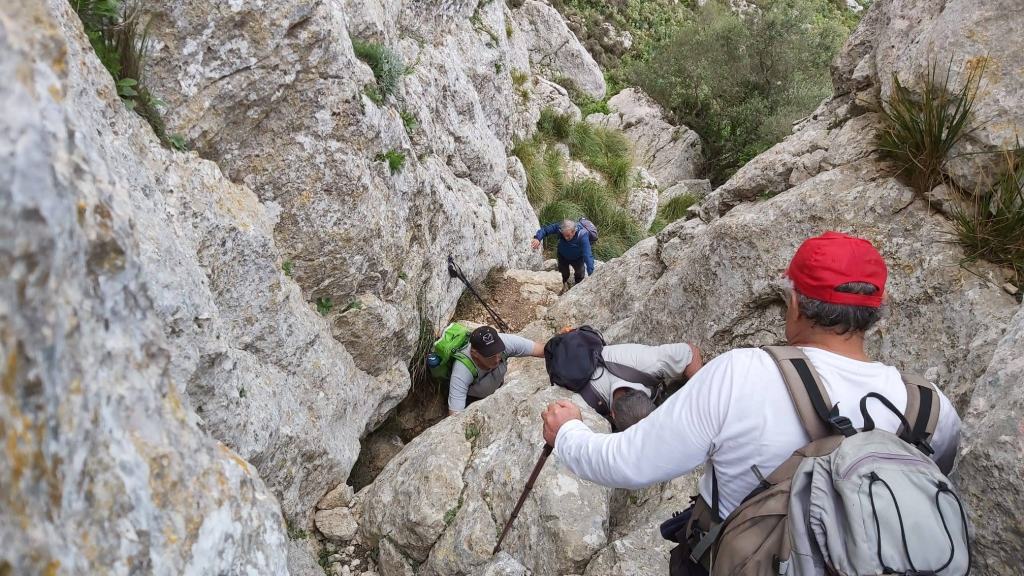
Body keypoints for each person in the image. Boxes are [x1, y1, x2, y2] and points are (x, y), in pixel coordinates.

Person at [541, 232, 961, 571]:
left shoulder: (743, 376)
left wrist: (569, 432)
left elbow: (627, 462)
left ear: (794, 303)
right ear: (876, 313)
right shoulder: (931, 408)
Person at [448, 325, 544, 415]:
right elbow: (454, 416)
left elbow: (541, 350)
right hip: (474, 401)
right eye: (490, 355)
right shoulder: (462, 371)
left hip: (497, 388)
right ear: (475, 353)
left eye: (498, 352)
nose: (497, 358)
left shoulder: (504, 342)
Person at [531, 219, 594, 294]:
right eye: (564, 235)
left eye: (568, 236)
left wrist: (592, 276)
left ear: (574, 231)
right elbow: (545, 230)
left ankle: (578, 288)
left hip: (578, 258)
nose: (566, 238)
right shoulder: (560, 227)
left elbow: (588, 255)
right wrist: (537, 238)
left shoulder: (583, 235)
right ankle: (563, 285)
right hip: (562, 256)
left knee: (580, 274)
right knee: (564, 274)